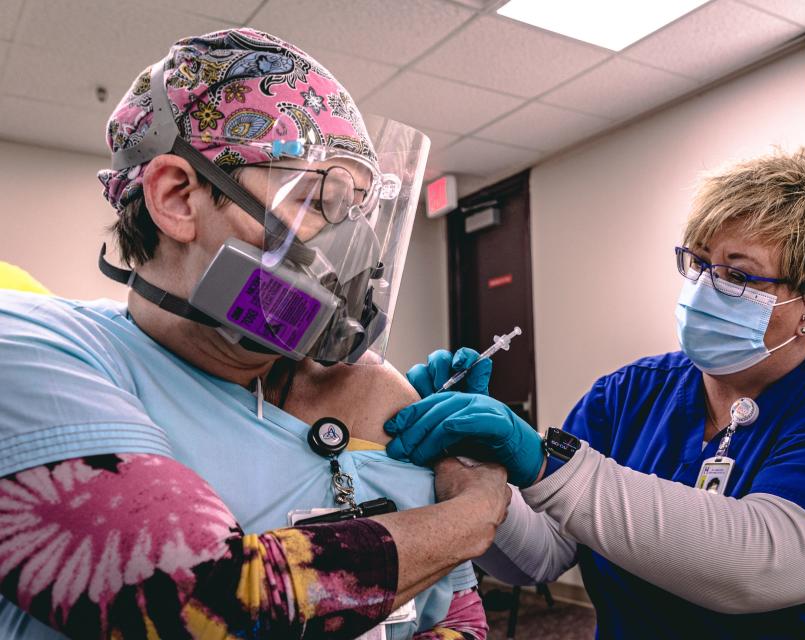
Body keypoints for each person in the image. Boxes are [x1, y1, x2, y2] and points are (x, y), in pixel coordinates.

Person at [0, 28, 509, 639]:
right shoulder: (34, 349)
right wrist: (473, 515)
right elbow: (201, 602)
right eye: (320, 198)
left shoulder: (372, 390)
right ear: (178, 197)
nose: (352, 250)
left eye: (358, 210)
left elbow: (457, 615)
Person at [386, 148, 805, 638]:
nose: (706, 288)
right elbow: (539, 556)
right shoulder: (628, 394)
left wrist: (543, 460)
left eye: (737, 275)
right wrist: (471, 463)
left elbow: (755, 566)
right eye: (699, 263)